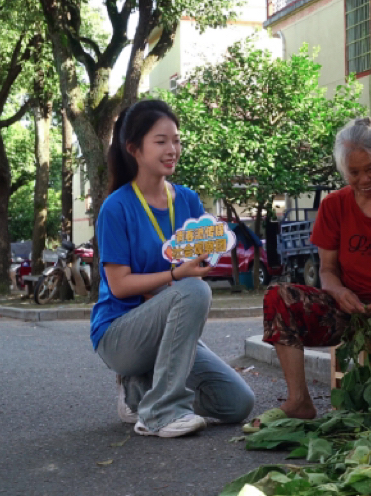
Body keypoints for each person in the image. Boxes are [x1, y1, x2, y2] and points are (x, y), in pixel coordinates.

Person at [253, 118, 371, 428]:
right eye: (354, 173)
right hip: (347, 309)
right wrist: (339, 293)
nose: (364, 179)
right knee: (278, 297)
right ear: (343, 172)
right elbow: (327, 270)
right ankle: (299, 400)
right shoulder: (333, 206)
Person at [92, 100, 255, 438]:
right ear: (134, 149)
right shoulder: (116, 207)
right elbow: (119, 285)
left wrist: (205, 259)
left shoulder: (187, 200)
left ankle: (140, 390)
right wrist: (176, 277)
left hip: (169, 323)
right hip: (120, 334)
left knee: (237, 403)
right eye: (161, 141)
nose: (172, 149)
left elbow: (197, 259)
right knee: (194, 290)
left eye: (177, 140)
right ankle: (160, 412)